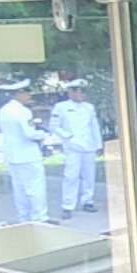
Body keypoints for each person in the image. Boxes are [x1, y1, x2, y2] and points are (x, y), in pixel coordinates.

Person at [0, 79, 51, 224]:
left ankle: (24, 218)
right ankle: (40, 217)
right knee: (35, 188)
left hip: (12, 155)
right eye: (27, 93)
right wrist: (44, 134)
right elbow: (30, 134)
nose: (29, 96)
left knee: (19, 189)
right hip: (28, 155)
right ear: (19, 93)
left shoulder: (4, 111)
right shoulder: (23, 111)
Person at [49, 79, 102, 219]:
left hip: (88, 146)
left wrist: (98, 144)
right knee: (70, 177)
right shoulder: (61, 107)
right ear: (70, 92)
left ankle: (87, 201)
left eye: (83, 91)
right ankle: (68, 205)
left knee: (89, 176)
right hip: (72, 147)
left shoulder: (89, 107)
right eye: (78, 91)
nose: (81, 94)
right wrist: (68, 136)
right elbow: (54, 126)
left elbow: (94, 126)